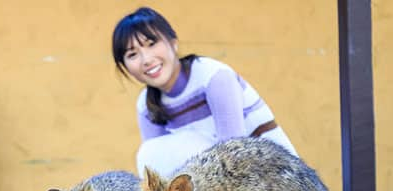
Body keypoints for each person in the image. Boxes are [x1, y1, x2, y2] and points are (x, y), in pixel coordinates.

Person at [112, 7, 298, 177]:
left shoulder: (213, 77)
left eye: (151, 43)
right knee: (149, 154)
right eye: (132, 54)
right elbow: (159, 171)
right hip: (215, 188)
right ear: (125, 66)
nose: (146, 59)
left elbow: (235, 157)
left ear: (174, 43)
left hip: (275, 179)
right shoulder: (146, 105)